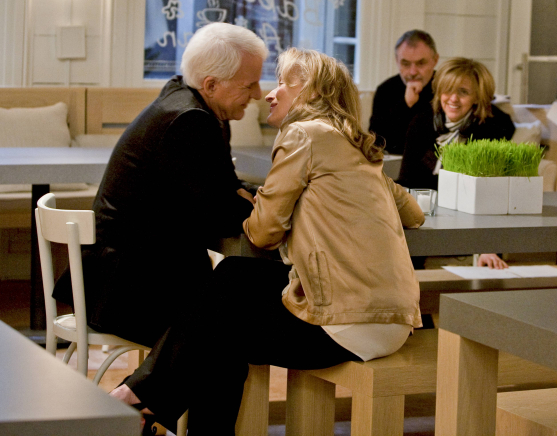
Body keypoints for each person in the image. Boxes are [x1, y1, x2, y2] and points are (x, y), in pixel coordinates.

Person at [111, 48, 425, 435]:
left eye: (282, 83)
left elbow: (263, 232)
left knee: (220, 319)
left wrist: (263, 202)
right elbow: (415, 213)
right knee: (229, 292)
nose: (269, 94)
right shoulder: (356, 147)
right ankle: (143, 402)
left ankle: (137, 398)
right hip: (394, 321)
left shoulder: (303, 134)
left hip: (346, 321)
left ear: (310, 92)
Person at [53, 22, 268, 349]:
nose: (258, 94)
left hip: (122, 276)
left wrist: (246, 197)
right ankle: (149, 385)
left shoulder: (188, 100)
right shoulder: (191, 120)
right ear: (211, 85)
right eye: (249, 84)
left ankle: (155, 382)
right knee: (238, 322)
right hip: (130, 290)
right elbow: (220, 215)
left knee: (234, 309)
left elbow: (225, 189)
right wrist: (254, 203)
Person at [398, 57, 515, 269]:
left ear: (477, 97)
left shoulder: (492, 129)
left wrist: (489, 247)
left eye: (463, 92)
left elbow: (492, 197)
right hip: (424, 213)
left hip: (469, 216)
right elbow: (407, 181)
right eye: (448, 90)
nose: (453, 99)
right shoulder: (421, 123)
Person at [369, 29, 439, 154]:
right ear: (397, 61)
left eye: (421, 63)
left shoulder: (446, 88)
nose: (413, 72)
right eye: (405, 64)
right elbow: (376, 142)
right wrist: (406, 105)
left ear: (435, 60)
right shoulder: (385, 90)